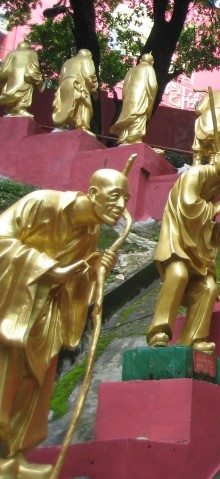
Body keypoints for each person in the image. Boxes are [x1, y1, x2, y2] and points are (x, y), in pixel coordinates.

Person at [0, 168, 129, 477]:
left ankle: (15, 456)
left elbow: (76, 281)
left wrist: (96, 271)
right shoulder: (42, 204)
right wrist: (47, 268)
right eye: (115, 196)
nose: (122, 206)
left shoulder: (91, 234)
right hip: (13, 308)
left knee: (33, 383)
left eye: (126, 198)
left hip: (45, 317)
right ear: (93, 194)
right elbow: (2, 240)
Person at [146, 146, 220, 355]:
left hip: (196, 247)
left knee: (208, 287)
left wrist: (219, 229)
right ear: (216, 156)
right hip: (178, 239)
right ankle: (159, 332)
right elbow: (189, 205)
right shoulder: (197, 173)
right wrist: (214, 209)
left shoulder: (218, 186)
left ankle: (193, 339)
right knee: (178, 274)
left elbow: (203, 225)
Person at [109, 53, 158, 145]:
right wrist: (151, 98)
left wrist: (125, 99)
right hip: (141, 97)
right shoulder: (149, 68)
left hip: (129, 99)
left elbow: (125, 87)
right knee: (138, 116)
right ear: (152, 62)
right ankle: (134, 138)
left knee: (128, 116)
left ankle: (124, 137)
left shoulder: (131, 71)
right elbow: (153, 86)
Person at [52, 49, 99, 134]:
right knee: (84, 105)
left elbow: (61, 76)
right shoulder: (87, 59)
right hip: (78, 83)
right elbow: (89, 74)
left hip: (64, 84)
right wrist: (94, 87)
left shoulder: (67, 62)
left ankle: (62, 124)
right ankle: (83, 126)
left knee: (64, 105)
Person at [0, 41, 43, 118]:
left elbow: (4, 70)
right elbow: (34, 68)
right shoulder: (32, 53)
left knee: (11, 94)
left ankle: (12, 110)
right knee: (23, 94)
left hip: (11, 80)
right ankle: (20, 109)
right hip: (25, 78)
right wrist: (38, 80)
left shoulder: (11, 53)